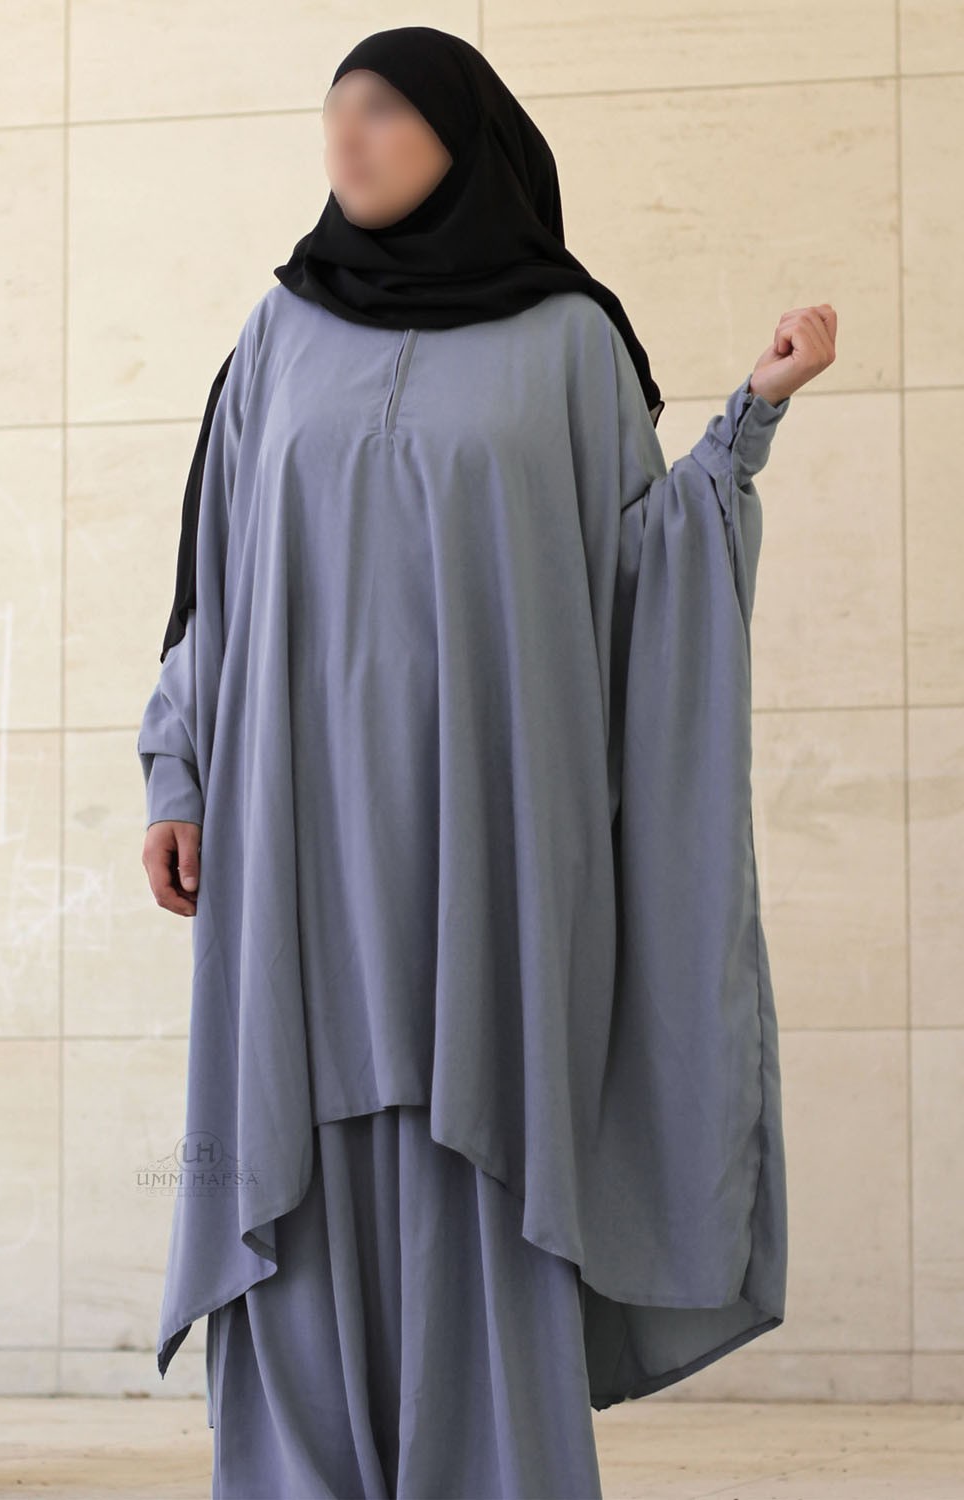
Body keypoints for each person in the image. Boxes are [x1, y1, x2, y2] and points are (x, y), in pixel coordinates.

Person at [137, 25, 836, 1500]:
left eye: (383, 112)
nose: (347, 141)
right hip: (300, 830)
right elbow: (213, 574)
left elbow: (640, 574)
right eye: (335, 114)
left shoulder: (570, 341)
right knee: (298, 1142)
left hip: (495, 836)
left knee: (482, 1139)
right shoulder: (277, 333)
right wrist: (176, 773)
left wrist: (749, 421)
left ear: (466, 136)